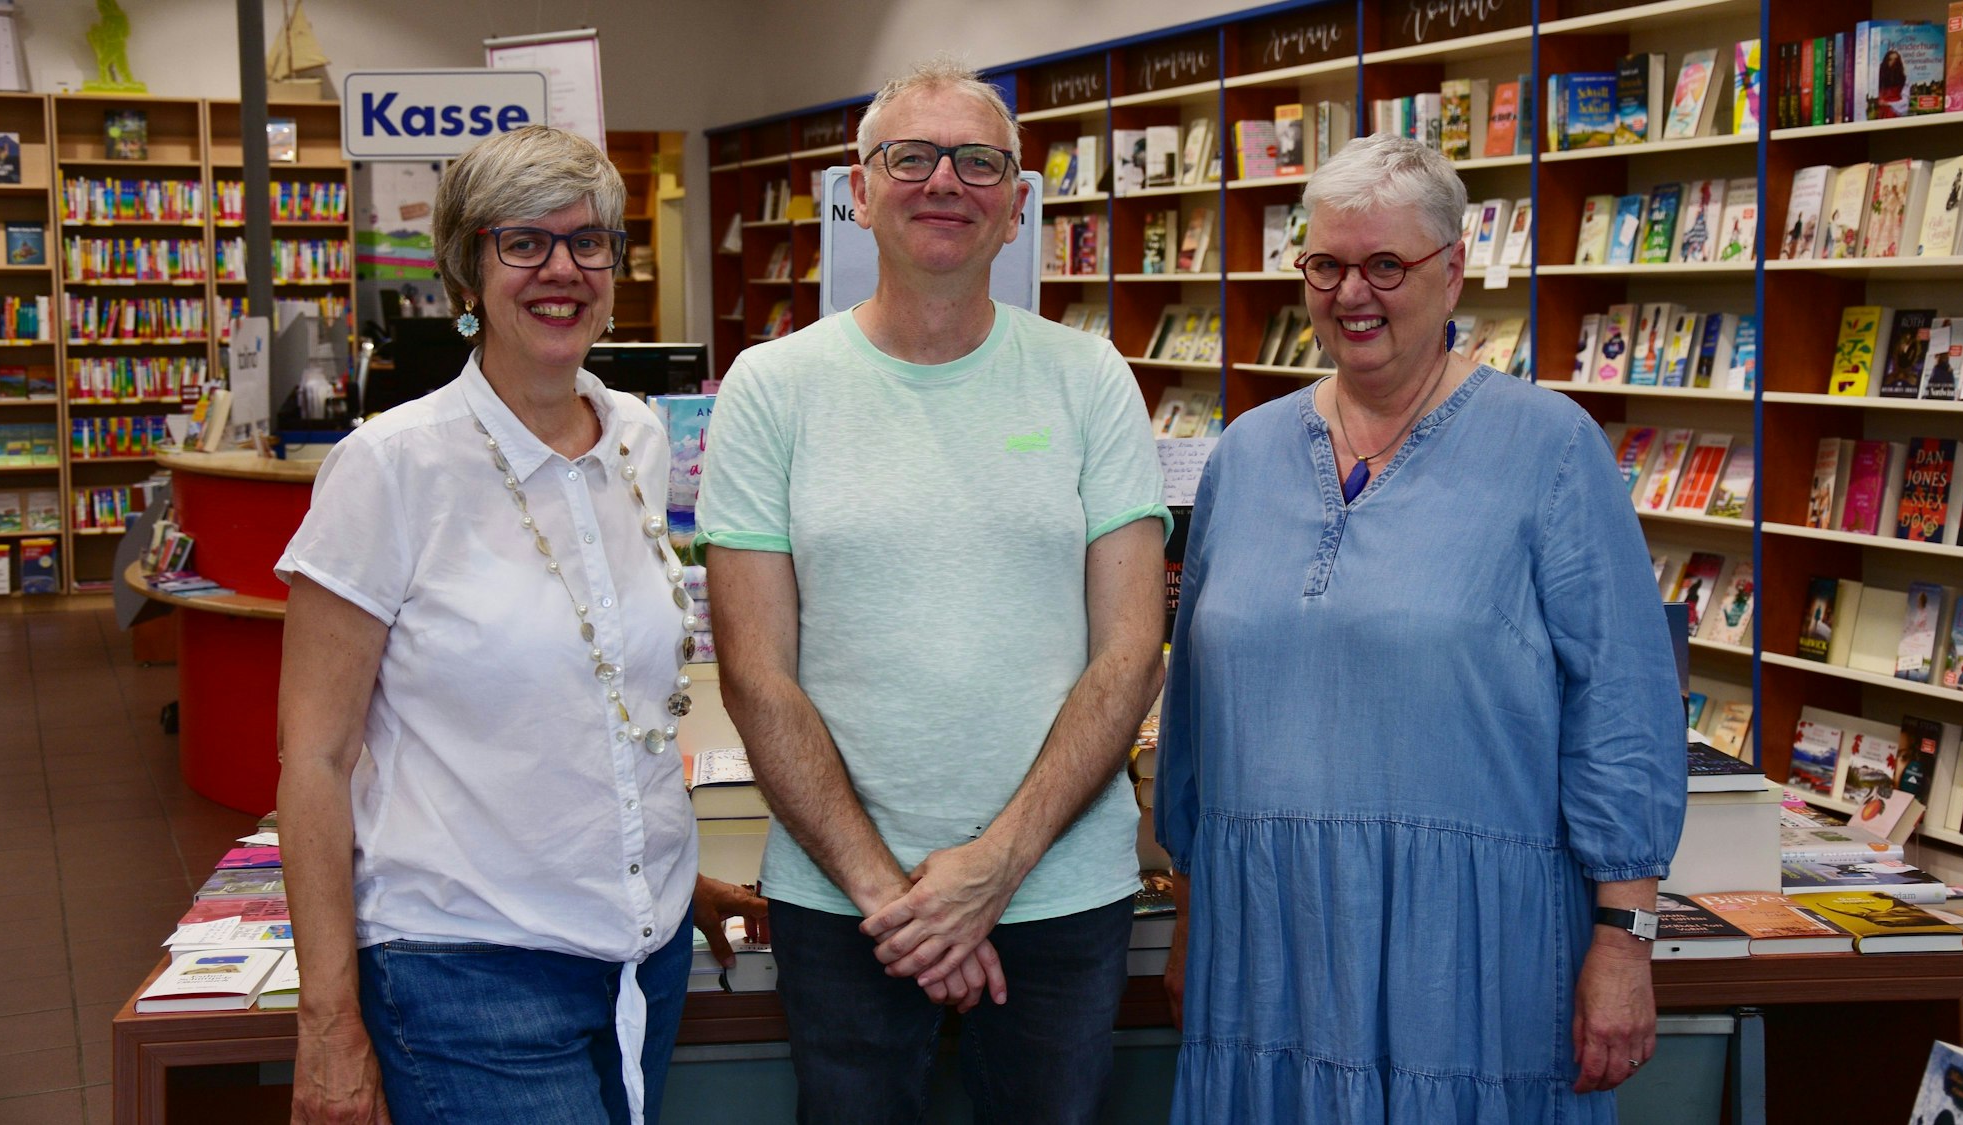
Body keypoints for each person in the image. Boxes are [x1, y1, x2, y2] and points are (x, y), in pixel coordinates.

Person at [1156, 133, 1685, 1124]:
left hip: (1469, 952)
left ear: (1450, 271)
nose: (1350, 293)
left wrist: (1622, 940)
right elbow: (1193, 711)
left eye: (1384, 265)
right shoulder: (1246, 454)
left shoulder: (1551, 450)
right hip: (1266, 944)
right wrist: (1193, 917)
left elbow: (1620, 706)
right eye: (1325, 265)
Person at [695, 57, 1169, 1125]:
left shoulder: (1089, 377)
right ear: (857, 193)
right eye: (909, 157)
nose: (942, 181)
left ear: (1014, 207)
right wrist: (894, 900)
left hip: (1055, 890)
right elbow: (756, 672)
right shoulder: (772, 389)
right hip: (840, 901)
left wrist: (989, 874)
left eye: (977, 161)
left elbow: (1128, 651)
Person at [275, 125, 765, 1125]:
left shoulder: (633, 434)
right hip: (468, 972)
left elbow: (586, 703)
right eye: (523, 242)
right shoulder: (390, 469)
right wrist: (327, 1021)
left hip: (642, 954)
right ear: (468, 269)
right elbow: (312, 762)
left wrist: (652, 881)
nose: (562, 269)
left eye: (588, 241)